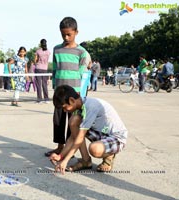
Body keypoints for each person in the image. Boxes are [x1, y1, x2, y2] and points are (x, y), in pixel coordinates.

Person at [49, 85, 128, 174]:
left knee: (94, 149)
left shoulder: (90, 107)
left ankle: (109, 154)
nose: (64, 111)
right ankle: (86, 161)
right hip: (101, 133)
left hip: (117, 138)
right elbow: (73, 137)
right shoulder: (79, 105)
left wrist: (65, 160)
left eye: (64, 107)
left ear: (71, 100)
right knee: (73, 121)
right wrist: (61, 156)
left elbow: (79, 138)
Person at [45, 17, 89, 157]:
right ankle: (59, 146)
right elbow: (55, 69)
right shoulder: (57, 49)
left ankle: (70, 148)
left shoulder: (81, 52)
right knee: (58, 120)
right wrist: (54, 87)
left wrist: (80, 94)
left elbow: (82, 73)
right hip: (60, 91)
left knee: (72, 121)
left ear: (76, 32)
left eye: (69, 34)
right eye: (63, 34)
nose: (66, 37)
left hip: (73, 93)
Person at [34, 39, 51, 103]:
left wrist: (36, 62)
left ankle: (39, 99)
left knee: (38, 84)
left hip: (38, 68)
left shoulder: (38, 51)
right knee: (44, 84)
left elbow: (35, 60)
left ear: (40, 43)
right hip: (45, 68)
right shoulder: (48, 52)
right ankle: (46, 99)